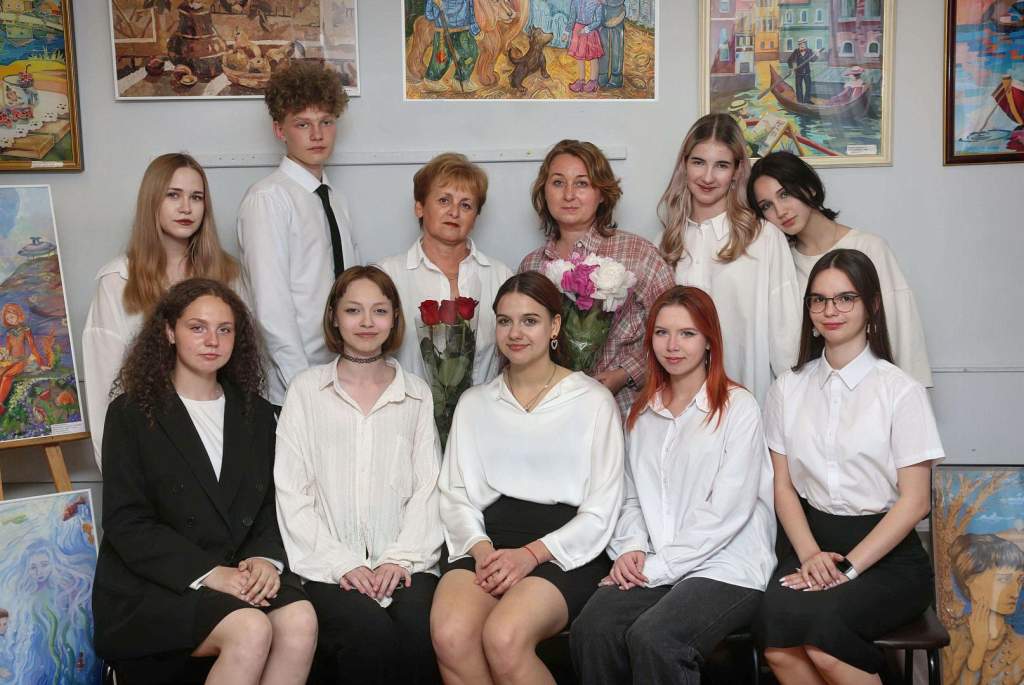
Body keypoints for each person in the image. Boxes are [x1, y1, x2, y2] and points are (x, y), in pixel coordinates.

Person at [92, 279, 316, 685]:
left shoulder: (257, 414)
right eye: (197, 327)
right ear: (169, 332)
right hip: (156, 585)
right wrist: (210, 573)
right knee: (251, 628)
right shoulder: (130, 413)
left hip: (239, 570)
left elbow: (272, 503)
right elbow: (127, 522)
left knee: (299, 619)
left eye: (224, 329)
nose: (212, 340)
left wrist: (266, 560)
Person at [571, 285, 776, 685]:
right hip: (656, 559)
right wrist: (631, 547)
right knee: (593, 629)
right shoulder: (641, 413)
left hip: (726, 566)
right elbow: (630, 496)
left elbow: (726, 511)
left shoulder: (739, 408)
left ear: (709, 340)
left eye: (687, 333)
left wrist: (657, 568)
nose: (673, 345)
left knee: (657, 639)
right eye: (662, 333)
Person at [755, 249, 943, 684]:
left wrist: (849, 569)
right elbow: (783, 487)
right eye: (819, 300)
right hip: (812, 548)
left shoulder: (901, 391)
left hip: (887, 557)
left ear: (871, 306)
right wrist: (809, 555)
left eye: (845, 298)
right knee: (776, 637)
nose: (830, 310)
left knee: (824, 641)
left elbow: (915, 502)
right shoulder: (787, 388)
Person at [431, 271, 624, 685]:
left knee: (504, 637)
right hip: (485, 541)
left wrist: (531, 555)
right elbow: (456, 494)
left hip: (563, 548)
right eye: (505, 321)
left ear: (555, 326)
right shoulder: (475, 403)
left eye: (530, 321)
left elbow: (602, 510)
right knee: (451, 635)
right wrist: (483, 552)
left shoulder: (593, 401)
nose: (515, 333)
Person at [274, 265, 442, 684]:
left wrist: (398, 559)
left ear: (394, 318)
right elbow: (291, 492)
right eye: (353, 310)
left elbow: (428, 488)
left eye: (379, 311)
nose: (367, 322)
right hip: (327, 566)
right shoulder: (306, 391)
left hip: (404, 562)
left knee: (418, 631)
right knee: (369, 635)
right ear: (334, 316)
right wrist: (343, 564)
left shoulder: (416, 394)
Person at [83, 153, 242, 469]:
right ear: (151, 201)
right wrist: (115, 473)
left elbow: (245, 366)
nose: (186, 208)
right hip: (149, 444)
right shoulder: (118, 280)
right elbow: (104, 389)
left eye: (196, 197)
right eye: (173, 195)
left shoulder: (228, 274)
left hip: (220, 439)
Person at [748, 151, 932, 386]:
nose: (780, 211)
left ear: (809, 188)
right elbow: (785, 346)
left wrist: (912, 395)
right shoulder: (782, 264)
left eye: (785, 194)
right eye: (766, 206)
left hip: (874, 390)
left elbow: (902, 329)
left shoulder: (869, 248)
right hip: (812, 393)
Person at [237, 60, 359, 411]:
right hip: (292, 388)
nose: (317, 135)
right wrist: (304, 388)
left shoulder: (336, 200)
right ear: (280, 130)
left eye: (326, 122)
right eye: (303, 124)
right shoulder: (268, 200)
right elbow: (271, 306)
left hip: (341, 377)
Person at [520, 139, 674, 416]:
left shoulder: (637, 253)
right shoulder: (532, 265)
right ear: (544, 191)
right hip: (550, 413)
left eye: (582, 183)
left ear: (602, 193)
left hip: (624, 410)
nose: (569, 195)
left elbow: (676, 329)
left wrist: (624, 373)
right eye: (558, 183)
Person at [659, 113, 801, 406]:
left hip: (750, 400)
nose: (708, 177)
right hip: (681, 407)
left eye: (721, 165)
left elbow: (786, 335)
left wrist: (792, 409)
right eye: (698, 162)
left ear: (737, 171)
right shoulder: (664, 243)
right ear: (684, 165)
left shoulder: (763, 238)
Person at [376, 152, 512, 387]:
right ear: (419, 207)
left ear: (475, 217)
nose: (454, 212)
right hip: (407, 405)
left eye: (466, 205)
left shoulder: (501, 276)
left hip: (483, 406)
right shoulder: (387, 275)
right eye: (444, 201)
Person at [944, 533, 1024, 684]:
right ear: (969, 579)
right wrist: (979, 649)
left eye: (1020, 580)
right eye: (1004, 579)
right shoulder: (951, 640)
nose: (1015, 592)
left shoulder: (1020, 646)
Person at [0, 302, 50, 411]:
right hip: (11, 360)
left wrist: (41, 364)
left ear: (18, 315)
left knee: (7, 376)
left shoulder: (26, 330)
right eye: (8, 318)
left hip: (21, 361)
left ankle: (0, 404)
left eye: (12, 317)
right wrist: (3, 356)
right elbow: (8, 349)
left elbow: (33, 347)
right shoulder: (9, 333)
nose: (10, 320)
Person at [423, 0, 481, 92]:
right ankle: (432, 80)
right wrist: (436, 5)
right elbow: (429, 15)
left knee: (471, 53)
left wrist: (474, 27)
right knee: (442, 58)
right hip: (443, 28)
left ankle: (461, 80)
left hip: (464, 28)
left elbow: (470, 8)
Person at [568, 0, 605, 92]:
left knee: (593, 56)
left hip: (590, 31)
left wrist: (587, 29)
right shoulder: (575, 1)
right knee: (579, 56)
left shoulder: (597, 2)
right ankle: (581, 81)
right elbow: (572, 17)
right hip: (578, 31)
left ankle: (593, 81)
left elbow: (598, 21)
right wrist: (566, 31)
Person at [786, 38, 818, 104]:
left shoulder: (809, 51)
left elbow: (813, 60)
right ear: (799, 45)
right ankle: (800, 101)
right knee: (798, 87)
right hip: (798, 72)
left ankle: (807, 100)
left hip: (807, 72)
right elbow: (789, 60)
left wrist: (817, 55)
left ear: (806, 44)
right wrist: (791, 68)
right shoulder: (796, 51)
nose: (802, 45)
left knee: (808, 87)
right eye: (800, 44)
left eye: (803, 44)